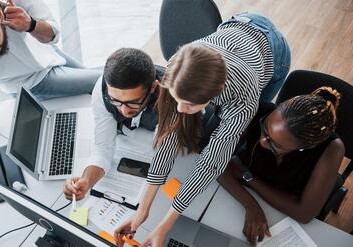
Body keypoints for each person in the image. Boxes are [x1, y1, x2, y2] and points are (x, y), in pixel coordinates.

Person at [115, 12, 291, 247]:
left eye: (188, 104)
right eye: (177, 99)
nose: (179, 108)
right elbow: (168, 137)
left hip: (270, 50)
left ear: (213, 96)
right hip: (236, 25)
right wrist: (141, 212)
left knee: (250, 122)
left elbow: (210, 163)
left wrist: (165, 225)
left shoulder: (243, 97)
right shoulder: (176, 69)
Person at [218, 86, 345, 244]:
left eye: (275, 145)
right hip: (235, 201)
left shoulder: (331, 149)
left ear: (305, 148)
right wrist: (251, 205)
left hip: (282, 220)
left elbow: (303, 214)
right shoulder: (260, 110)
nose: (262, 141)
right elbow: (217, 166)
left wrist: (247, 176)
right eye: (264, 128)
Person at [63, 48, 163, 201]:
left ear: (153, 87)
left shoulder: (172, 101)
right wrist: (87, 181)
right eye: (115, 101)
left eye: (133, 102)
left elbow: (164, 154)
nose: (124, 111)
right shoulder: (102, 90)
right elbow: (103, 148)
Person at [0, 0, 100, 100]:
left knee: (104, 88)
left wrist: (31, 25)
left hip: (49, 54)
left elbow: (53, 36)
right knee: (105, 82)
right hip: (29, 84)